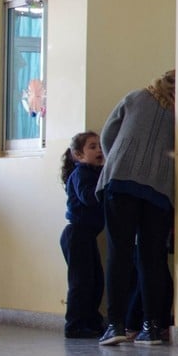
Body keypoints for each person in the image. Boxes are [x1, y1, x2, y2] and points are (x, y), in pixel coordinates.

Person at [96, 70, 176, 346]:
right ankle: (151, 327)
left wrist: (119, 161)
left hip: (121, 182)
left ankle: (115, 325)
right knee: (153, 258)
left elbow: (107, 135)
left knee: (119, 253)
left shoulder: (135, 97)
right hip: (160, 189)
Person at [60, 131, 106, 339]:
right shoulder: (82, 173)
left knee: (95, 280)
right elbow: (88, 197)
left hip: (86, 235)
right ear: (78, 155)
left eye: (100, 146)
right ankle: (75, 325)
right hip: (77, 234)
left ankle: (92, 321)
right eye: (92, 147)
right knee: (81, 282)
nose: (99, 150)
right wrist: (105, 189)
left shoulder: (94, 172)